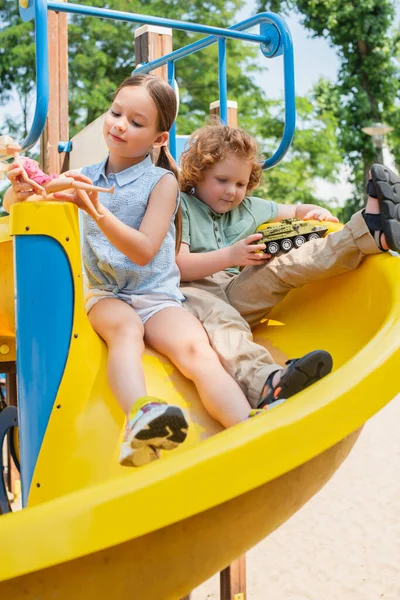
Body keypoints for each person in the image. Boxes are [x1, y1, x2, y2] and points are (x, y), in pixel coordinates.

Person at [4, 75, 261, 467]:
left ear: (159, 139)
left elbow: (143, 250)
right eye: (116, 112)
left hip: (157, 294)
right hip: (105, 294)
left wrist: (95, 209)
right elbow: (26, 203)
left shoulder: (163, 184)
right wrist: (19, 188)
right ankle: (141, 413)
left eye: (137, 122)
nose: (120, 124)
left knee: (197, 351)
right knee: (127, 329)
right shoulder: (86, 174)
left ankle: (249, 432)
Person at [177, 123, 400, 411]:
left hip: (235, 293)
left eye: (241, 184)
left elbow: (294, 210)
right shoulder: (181, 205)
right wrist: (231, 256)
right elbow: (178, 267)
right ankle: (267, 382)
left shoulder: (247, 207)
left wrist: (314, 213)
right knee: (223, 320)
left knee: (282, 265)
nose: (232, 192)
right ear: (199, 172)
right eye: (222, 180)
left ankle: (369, 232)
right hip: (194, 294)